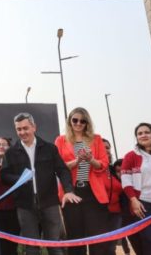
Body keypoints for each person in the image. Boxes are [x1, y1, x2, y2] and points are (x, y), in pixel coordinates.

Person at [1, 112, 80, 255]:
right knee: (32, 247)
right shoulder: (11, 153)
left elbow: (62, 170)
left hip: (50, 203)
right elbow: (4, 175)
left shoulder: (50, 148)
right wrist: (19, 179)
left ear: (34, 127)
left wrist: (69, 190)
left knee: (54, 245)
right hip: (25, 206)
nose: (22, 132)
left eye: (26, 128)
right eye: (19, 129)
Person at [55, 107, 110, 255]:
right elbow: (58, 167)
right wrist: (77, 161)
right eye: (75, 120)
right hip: (71, 192)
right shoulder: (61, 140)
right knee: (75, 237)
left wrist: (90, 160)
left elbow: (104, 164)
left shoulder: (96, 139)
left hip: (93, 193)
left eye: (83, 121)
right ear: (70, 121)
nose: (78, 123)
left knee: (97, 238)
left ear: (87, 123)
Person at [121, 122, 151, 255]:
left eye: (147, 132)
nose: (143, 135)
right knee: (149, 239)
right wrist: (133, 200)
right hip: (144, 204)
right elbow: (126, 180)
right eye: (139, 133)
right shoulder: (131, 155)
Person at [0, 136, 20, 255]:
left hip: (13, 210)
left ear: (9, 147)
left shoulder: (15, 165)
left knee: (11, 245)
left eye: (3, 144)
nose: (0, 146)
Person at [113, 159, 142, 255]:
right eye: (118, 172)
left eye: (123, 171)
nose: (121, 174)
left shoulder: (137, 185)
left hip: (141, 219)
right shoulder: (116, 188)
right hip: (127, 222)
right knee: (137, 246)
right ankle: (127, 252)